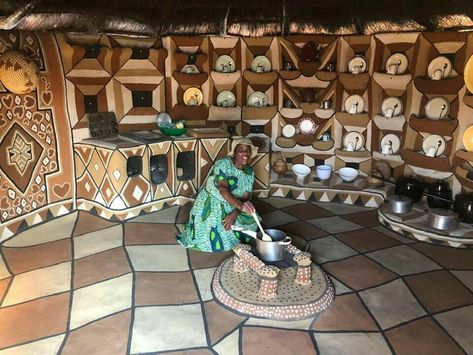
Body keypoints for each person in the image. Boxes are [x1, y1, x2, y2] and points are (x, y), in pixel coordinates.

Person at [177, 137, 258, 252]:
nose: (245, 153)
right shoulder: (223, 163)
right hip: (213, 201)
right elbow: (223, 189)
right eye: (240, 150)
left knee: (253, 221)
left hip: (235, 203)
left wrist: (235, 212)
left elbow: (246, 195)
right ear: (234, 153)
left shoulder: (249, 171)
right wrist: (240, 207)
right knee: (218, 232)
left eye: (247, 150)